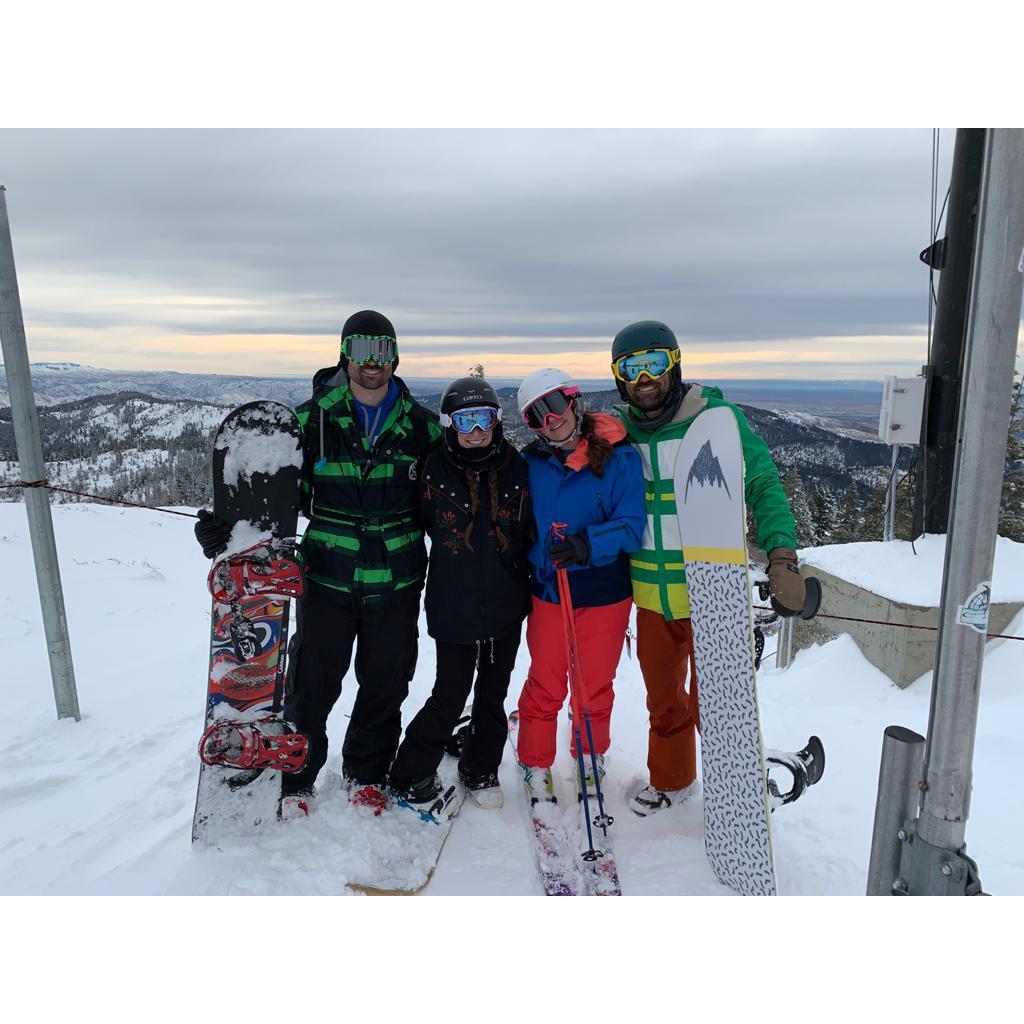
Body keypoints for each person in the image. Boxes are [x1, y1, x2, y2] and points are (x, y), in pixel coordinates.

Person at [195, 310, 441, 818]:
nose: (371, 362)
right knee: (312, 684)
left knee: (386, 683)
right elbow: (271, 501)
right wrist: (228, 533)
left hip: (397, 581)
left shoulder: (423, 428)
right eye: (361, 349)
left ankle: (366, 774)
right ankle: (298, 776)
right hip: (327, 577)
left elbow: (450, 500)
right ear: (345, 354)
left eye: (381, 350)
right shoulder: (308, 422)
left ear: (395, 356)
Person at [610, 320, 806, 816]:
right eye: (631, 368)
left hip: (713, 593)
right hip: (651, 599)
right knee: (664, 703)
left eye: (654, 364)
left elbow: (762, 482)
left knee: (719, 706)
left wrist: (782, 555)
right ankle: (672, 781)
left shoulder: (716, 419)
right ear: (618, 377)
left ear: (674, 365)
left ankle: (739, 790)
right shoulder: (619, 435)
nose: (644, 378)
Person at [386, 376, 534, 820]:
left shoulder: (517, 466)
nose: (476, 431)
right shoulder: (432, 469)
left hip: (506, 601)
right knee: (449, 694)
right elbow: (410, 522)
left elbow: (533, 526)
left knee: (493, 692)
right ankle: (410, 771)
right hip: (453, 602)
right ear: (450, 423)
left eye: (484, 418)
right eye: (466, 420)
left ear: (497, 420)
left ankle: (481, 768)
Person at [514, 367, 645, 803]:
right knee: (546, 679)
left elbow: (632, 524)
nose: (551, 420)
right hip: (550, 589)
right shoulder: (531, 464)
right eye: (536, 416)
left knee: (593, 684)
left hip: (604, 591)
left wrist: (588, 544)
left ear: (573, 402)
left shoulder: (619, 457)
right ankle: (535, 762)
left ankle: (589, 755)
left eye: (555, 405)